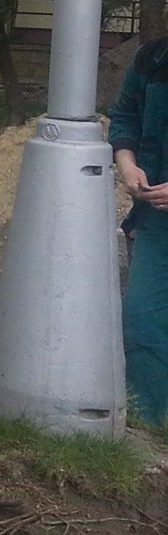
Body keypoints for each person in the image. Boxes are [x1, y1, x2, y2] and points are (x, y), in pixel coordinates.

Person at [110, 37, 168, 425]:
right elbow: (126, 114)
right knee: (142, 320)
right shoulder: (153, 58)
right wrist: (127, 163)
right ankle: (149, 426)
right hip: (157, 223)